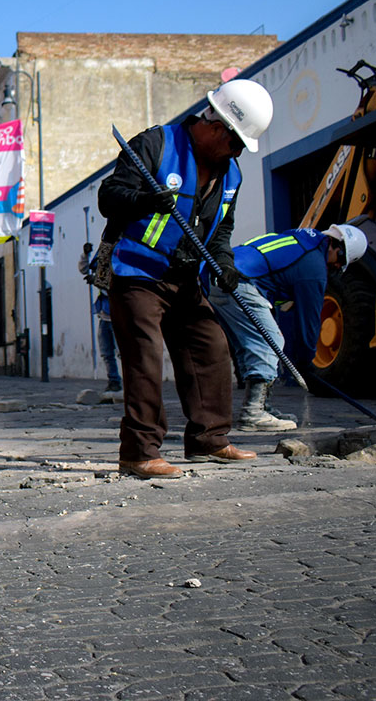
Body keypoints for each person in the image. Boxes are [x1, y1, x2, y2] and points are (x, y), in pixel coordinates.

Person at [98, 78, 274, 479]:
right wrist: (144, 200)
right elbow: (109, 197)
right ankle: (139, 452)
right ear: (216, 126)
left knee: (210, 346)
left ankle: (208, 439)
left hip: (186, 277)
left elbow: (222, 231)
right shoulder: (156, 146)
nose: (237, 153)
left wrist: (225, 264)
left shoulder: (231, 175)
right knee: (145, 356)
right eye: (236, 143)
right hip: (138, 274)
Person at [208, 224, 367, 431]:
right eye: (340, 261)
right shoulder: (313, 265)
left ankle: (263, 406)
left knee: (251, 344)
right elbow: (309, 321)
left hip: (220, 276)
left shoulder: (301, 239)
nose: (336, 268)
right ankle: (253, 413)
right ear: (337, 248)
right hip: (239, 281)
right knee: (270, 342)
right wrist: (306, 362)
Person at [78, 242, 122, 392]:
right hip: (104, 315)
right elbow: (85, 269)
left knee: (122, 351)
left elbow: (114, 283)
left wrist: (96, 280)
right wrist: (85, 255)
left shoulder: (120, 257)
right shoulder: (104, 253)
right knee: (107, 353)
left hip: (118, 315)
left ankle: (131, 380)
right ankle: (113, 380)